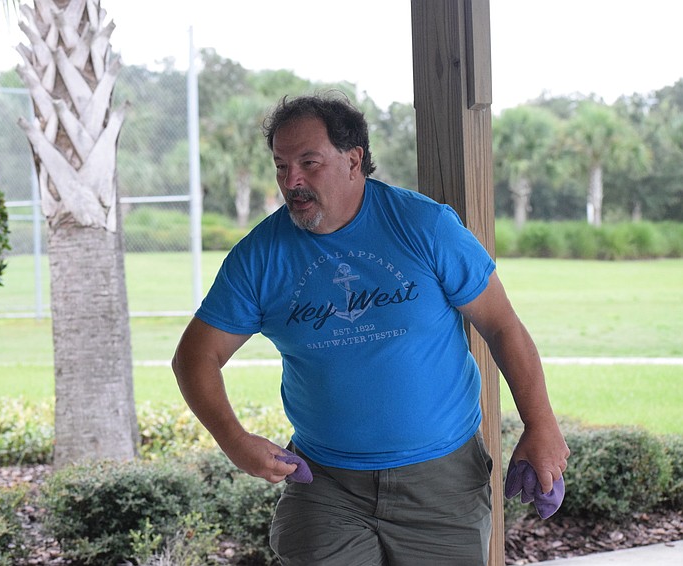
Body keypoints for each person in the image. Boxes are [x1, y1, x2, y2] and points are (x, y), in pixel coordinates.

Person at [171, 92, 569, 565]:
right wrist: (234, 441)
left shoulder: (425, 226)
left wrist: (540, 423)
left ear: (354, 159)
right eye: (281, 166)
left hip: (441, 482)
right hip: (326, 485)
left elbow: (503, 327)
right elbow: (195, 356)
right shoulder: (261, 256)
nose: (291, 180)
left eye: (308, 162)